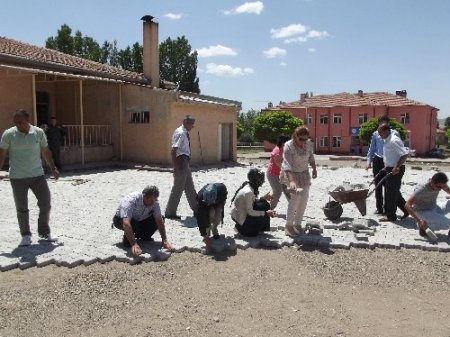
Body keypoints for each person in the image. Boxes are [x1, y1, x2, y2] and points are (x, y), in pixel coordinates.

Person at [0, 109, 60, 246]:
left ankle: (44, 232)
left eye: (20, 122)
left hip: (37, 176)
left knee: (45, 203)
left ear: (28, 120)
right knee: (22, 208)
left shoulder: (38, 133)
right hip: (17, 177)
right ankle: (25, 235)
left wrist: (53, 168)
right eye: (16, 122)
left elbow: (45, 151)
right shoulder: (9, 134)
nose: (18, 125)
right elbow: (2, 153)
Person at [113, 185, 173, 256]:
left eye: (155, 200)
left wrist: (164, 239)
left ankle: (143, 235)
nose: (153, 203)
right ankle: (129, 238)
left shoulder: (154, 202)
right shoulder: (131, 200)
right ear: (145, 197)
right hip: (121, 220)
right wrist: (134, 244)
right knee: (131, 228)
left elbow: (159, 221)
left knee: (161, 218)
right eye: (151, 201)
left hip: (141, 219)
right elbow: (126, 223)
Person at [280, 126, 317, 236]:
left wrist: (314, 168)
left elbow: (311, 156)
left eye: (306, 139)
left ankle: (298, 223)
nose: (303, 141)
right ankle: (289, 225)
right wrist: (291, 181)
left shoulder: (308, 144)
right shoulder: (288, 146)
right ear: (295, 136)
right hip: (291, 174)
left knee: (304, 199)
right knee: (295, 199)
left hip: (304, 173)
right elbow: (287, 164)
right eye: (301, 139)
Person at [165, 115, 198, 219]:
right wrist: (175, 168)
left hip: (185, 160)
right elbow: (173, 151)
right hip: (181, 161)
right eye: (191, 124)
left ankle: (197, 209)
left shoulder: (184, 132)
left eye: (193, 124)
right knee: (178, 187)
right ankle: (170, 212)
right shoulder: (181, 133)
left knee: (189, 187)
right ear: (185, 122)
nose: (192, 126)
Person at [365, 115, 399, 215]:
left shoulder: (395, 133)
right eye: (381, 123)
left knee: (388, 186)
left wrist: (397, 165)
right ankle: (379, 208)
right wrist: (368, 162)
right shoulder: (376, 134)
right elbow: (372, 149)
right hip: (378, 160)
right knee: (378, 185)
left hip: (389, 161)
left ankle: (387, 209)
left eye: (385, 123)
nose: (383, 125)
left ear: (389, 124)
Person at [377, 123, 409, 222]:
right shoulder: (387, 141)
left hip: (396, 170)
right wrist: (385, 167)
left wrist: (396, 167)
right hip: (389, 168)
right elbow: (391, 156)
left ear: (386, 131)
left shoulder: (394, 140)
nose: (379, 135)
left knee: (390, 193)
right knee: (394, 192)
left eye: (380, 132)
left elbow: (404, 155)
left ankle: (391, 216)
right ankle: (407, 209)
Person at [231, 168, 276, 237]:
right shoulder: (248, 191)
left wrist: (263, 198)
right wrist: (266, 213)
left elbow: (252, 201)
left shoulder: (249, 185)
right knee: (254, 233)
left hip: (243, 212)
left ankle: (261, 229)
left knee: (265, 204)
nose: (262, 181)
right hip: (242, 217)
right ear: (257, 180)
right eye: (261, 179)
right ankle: (240, 228)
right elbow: (250, 212)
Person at [404, 172, 450, 238]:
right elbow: (407, 205)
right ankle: (424, 227)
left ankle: (428, 224)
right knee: (448, 224)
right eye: (438, 187)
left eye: (442, 187)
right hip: (422, 211)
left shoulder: (441, 185)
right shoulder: (421, 189)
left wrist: (442, 187)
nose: (440, 189)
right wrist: (419, 221)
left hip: (434, 207)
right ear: (432, 181)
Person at [195, 183, 228, 248]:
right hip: (205, 206)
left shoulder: (222, 189)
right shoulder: (200, 197)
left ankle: (214, 229)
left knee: (218, 214)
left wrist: (221, 215)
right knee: (211, 213)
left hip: (217, 202)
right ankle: (208, 229)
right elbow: (200, 218)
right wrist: (204, 235)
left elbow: (223, 202)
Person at [266, 134, 291, 209]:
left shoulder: (285, 149)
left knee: (288, 191)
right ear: (283, 142)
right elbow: (279, 164)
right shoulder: (277, 151)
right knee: (277, 191)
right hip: (273, 175)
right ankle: (270, 209)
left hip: (281, 174)